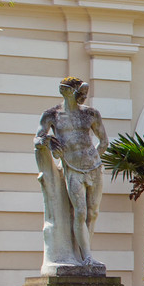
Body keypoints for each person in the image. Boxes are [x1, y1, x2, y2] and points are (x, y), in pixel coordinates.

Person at [34, 77, 106, 274]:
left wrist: (92, 160)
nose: (82, 96)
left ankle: (83, 255)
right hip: (72, 169)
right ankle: (88, 257)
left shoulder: (91, 114)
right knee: (80, 212)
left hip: (94, 168)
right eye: (79, 91)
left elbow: (104, 141)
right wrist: (46, 142)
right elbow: (38, 137)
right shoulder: (52, 115)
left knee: (93, 212)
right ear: (66, 91)